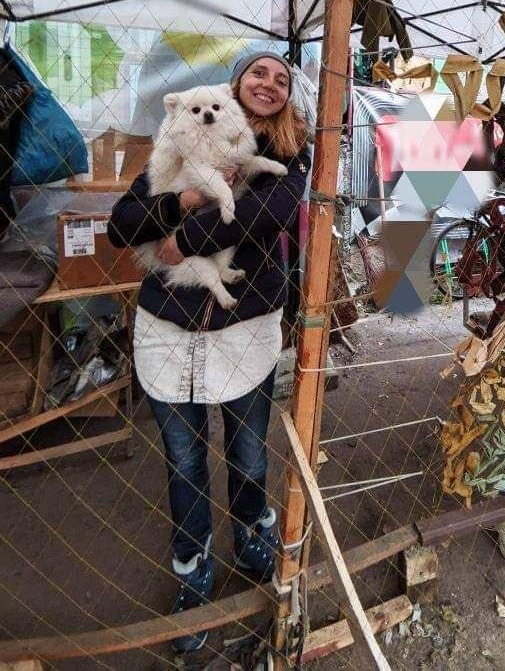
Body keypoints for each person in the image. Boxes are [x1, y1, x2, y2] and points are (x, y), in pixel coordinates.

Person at [108, 52, 311, 654]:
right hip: (168, 326)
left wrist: (181, 241)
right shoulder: (178, 134)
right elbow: (122, 225)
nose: (268, 84)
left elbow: (268, 213)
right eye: (258, 73)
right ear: (235, 83)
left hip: (244, 324)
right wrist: (185, 201)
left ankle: (251, 537)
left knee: (248, 450)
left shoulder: (289, 150)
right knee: (184, 459)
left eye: (281, 78)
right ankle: (193, 565)